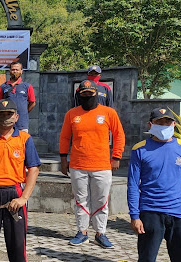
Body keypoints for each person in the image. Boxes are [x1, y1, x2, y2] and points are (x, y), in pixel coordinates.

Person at [59, 80, 125, 249]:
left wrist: (116, 157)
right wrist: (63, 159)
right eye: (84, 94)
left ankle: (100, 233)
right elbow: (65, 137)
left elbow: (119, 135)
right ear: (79, 95)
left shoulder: (109, 112)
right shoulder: (72, 114)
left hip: (102, 165)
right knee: (81, 200)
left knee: (101, 200)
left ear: (96, 94)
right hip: (77, 165)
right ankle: (82, 232)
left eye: (90, 93)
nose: (87, 96)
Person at [0, 99, 41, 262]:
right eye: (1, 114)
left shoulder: (25, 139)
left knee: (17, 247)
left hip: (15, 193)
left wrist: (23, 198)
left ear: (16, 117)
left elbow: (34, 168)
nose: (6, 117)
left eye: (9, 114)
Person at [127, 108, 181, 262]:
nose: (164, 125)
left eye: (168, 122)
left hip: (178, 212)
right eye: (160, 122)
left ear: (174, 124)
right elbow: (133, 184)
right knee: (147, 258)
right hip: (150, 211)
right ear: (150, 125)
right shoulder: (139, 149)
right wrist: (134, 216)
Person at [0, 62, 36, 133]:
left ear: (21, 71)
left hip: (22, 123)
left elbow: (32, 102)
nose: (15, 71)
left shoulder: (27, 86)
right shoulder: (3, 87)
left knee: (21, 142)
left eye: (17, 70)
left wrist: (24, 112)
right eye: (13, 69)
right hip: (7, 122)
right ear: (10, 71)